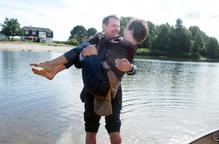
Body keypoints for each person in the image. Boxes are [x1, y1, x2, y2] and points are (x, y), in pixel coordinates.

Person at [31, 15, 148, 144]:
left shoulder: (122, 43)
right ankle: (52, 70)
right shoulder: (119, 43)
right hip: (93, 87)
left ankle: (51, 66)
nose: (118, 29)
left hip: (106, 87)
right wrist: (84, 54)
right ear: (104, 26)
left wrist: (130, 67)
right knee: (91, 130)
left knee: (114, 130)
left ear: (131, 31)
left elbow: (130, 65)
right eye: (114, 26)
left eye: (120, 26)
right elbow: (79, 63)